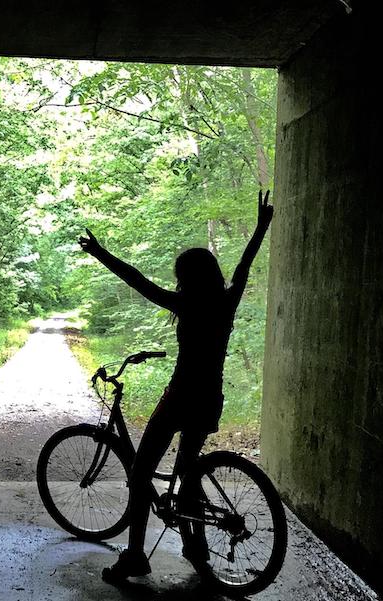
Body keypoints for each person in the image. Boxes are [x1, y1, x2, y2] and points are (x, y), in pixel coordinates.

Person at [78, 191, 274, 582]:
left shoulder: (186, 304)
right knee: (189, 472)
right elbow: (244, 264)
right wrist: (260, 227)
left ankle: (135, 556)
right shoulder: (226, 301)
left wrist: (100, 253)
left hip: (180, 398)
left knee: (140, 473)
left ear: (186, 278)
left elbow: (138, 281)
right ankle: (196, 546)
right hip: (209, 398)